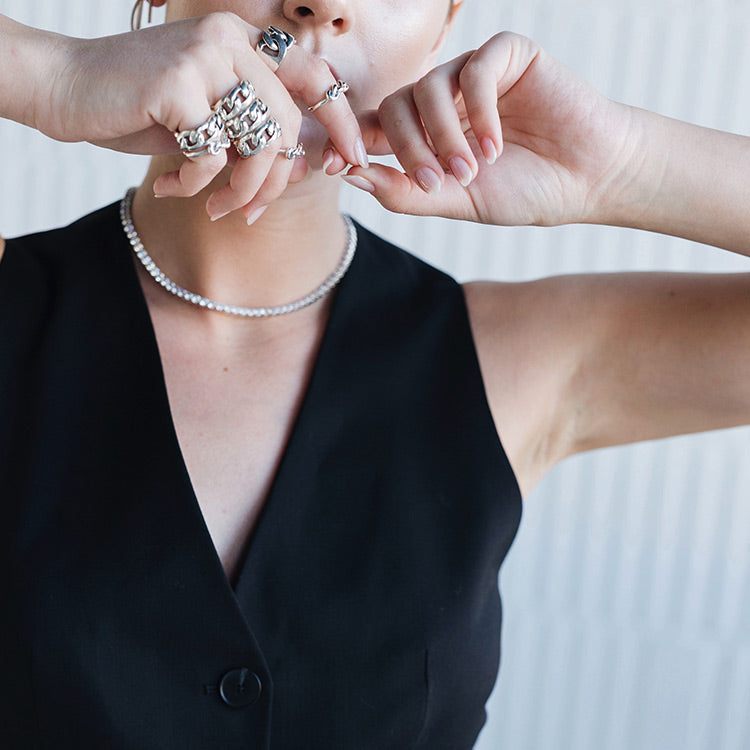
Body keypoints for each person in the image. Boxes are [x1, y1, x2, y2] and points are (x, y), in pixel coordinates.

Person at [1, 0, 748, 747]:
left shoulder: (514, 359)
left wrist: (621, 167)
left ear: (443, 24)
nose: (319, 3)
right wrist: (54, 76)